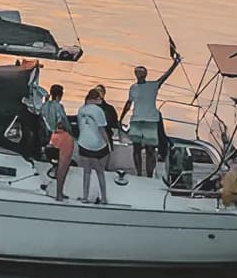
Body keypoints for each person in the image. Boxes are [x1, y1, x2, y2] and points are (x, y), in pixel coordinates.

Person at [126, 40, 183, 179]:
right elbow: (128, 103)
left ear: (145, 74)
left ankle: (149, 175)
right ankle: (139, 173)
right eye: (137, 72)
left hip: (151, 120)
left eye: (141, 72)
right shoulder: (133, 88)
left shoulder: (153, 85)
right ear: (135, 74)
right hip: (136, 120)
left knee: (150, 149)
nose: (139, 74)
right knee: (136, 148)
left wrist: (175, 64)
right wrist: (120, 118)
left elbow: (165, 76)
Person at [74, 86, 112, 204]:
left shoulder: (81, 109)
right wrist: (108, 144)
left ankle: (85, 197)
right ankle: (104, 198)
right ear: (96, 99)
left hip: (83, 143)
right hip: (97, 145)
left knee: (87, 171)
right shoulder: (99, 111)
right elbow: (102, 130)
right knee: (100, 172)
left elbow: (81, 127)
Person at [44, 84, 75, 199]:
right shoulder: (58, 106)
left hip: (49, 137)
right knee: (63, 166)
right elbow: (63, 121)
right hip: (60, 136)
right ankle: (59, 193)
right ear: (60, 96)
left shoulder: (44, 105)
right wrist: (71, 132)